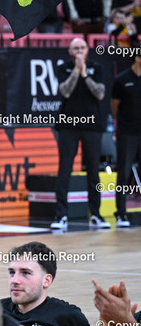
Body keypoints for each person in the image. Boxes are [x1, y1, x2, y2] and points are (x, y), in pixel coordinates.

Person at [51, 37, 109, 230]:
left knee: (93, 170)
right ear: (70, 51)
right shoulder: (64, 68)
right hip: (68, 125)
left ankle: (96, 214)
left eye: (82, 48)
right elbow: (65, 92)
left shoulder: (96, 68)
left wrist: (85, 74)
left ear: (87, 50)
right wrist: (76, 71)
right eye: (75, 48)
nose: (79, 51)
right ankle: (61, 215)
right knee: (65, 169)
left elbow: (100, 93)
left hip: (92, 125)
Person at [111, 54, 141, 227]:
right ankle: (121, 213)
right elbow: (114, 107)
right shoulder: (121, 80)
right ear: (137, 58)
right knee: (123, 173)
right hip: (127, 133)